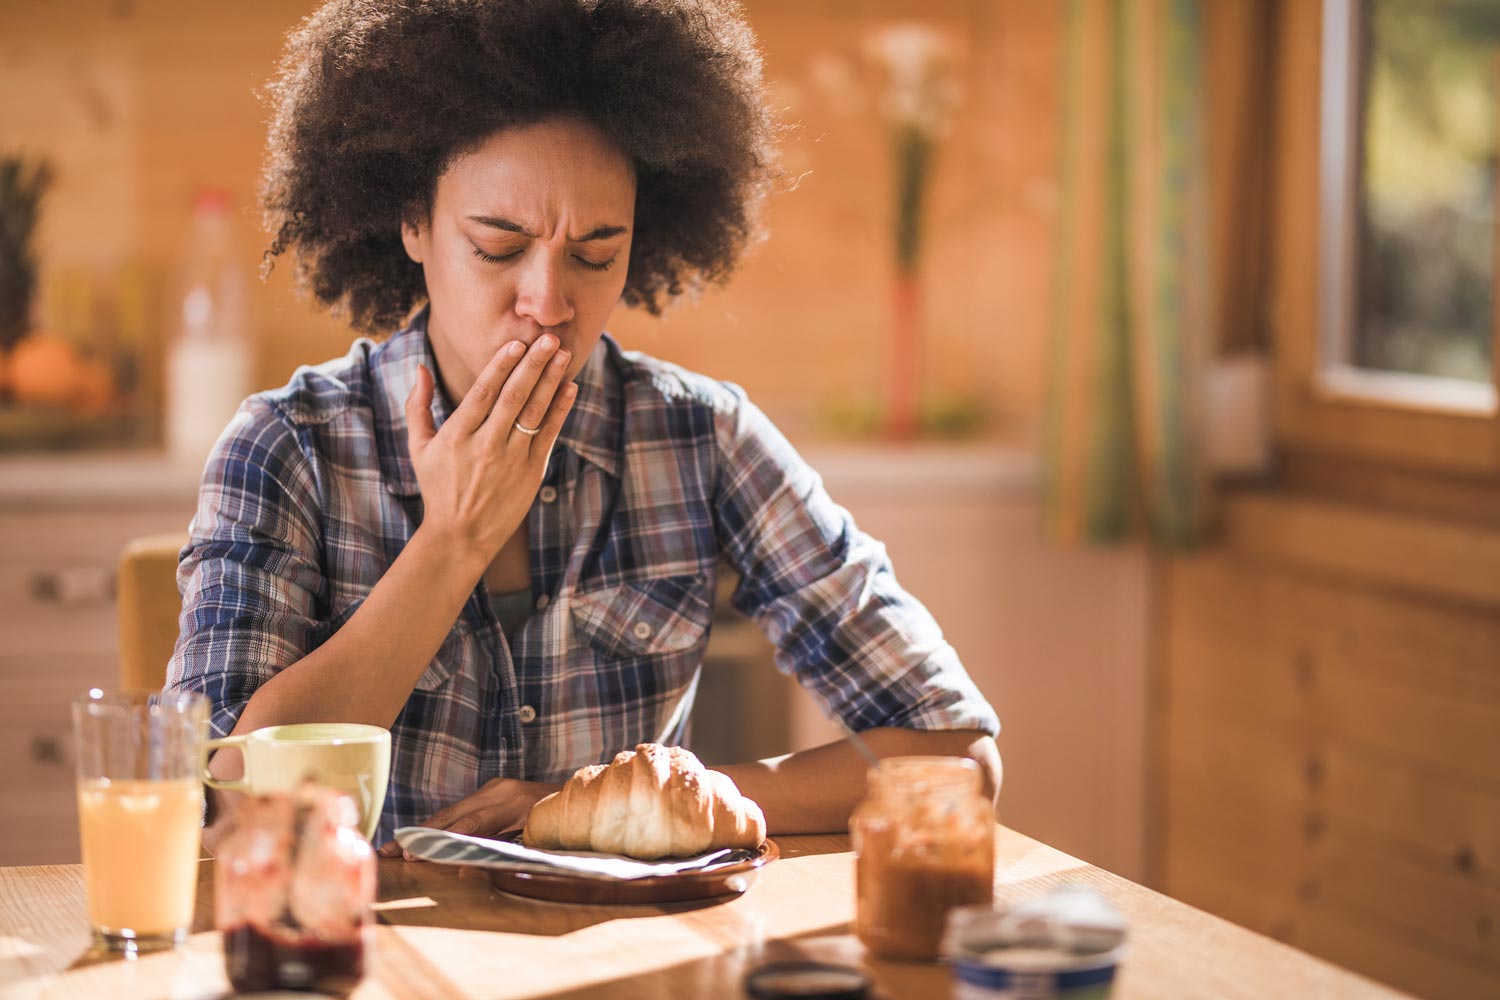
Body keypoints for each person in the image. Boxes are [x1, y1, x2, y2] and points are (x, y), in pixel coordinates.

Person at [168, 0, 1001, 853]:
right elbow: (216, 802)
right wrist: (453, 541)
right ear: (412, 222)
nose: (550, 302)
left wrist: (646, 798)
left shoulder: (701, 438)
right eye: (499, 245)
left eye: (596, 254)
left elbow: (955, 753)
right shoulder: (288, 447)